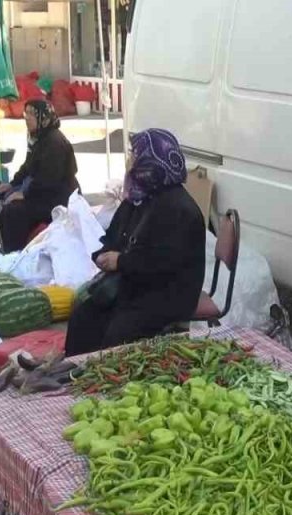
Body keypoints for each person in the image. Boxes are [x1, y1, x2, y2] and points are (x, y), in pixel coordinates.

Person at [65, 129, 205, 356]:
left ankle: (106, 382)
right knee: (84, 315)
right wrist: (104, 253)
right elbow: (116, 235)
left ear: (151, 162)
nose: (130, 161)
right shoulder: (140, 197)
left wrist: (121, 261)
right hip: (138, 283)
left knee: (118, 332)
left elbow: (163, 263)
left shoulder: (179, 209)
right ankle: (74, 375)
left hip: (168, 293)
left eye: (135, 155)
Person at [0, 99, 79, 252]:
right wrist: (13, 184)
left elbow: (49, 180)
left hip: (58, 198)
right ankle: (5, 248)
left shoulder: (54, 142)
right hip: (43, 192)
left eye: (32, 114)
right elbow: (28, 166)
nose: (26, 117)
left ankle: (16, 253)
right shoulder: (40, 138)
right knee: (3, 197)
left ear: (44, 118)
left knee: (13, 212)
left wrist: (24, 194)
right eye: (25, 113)